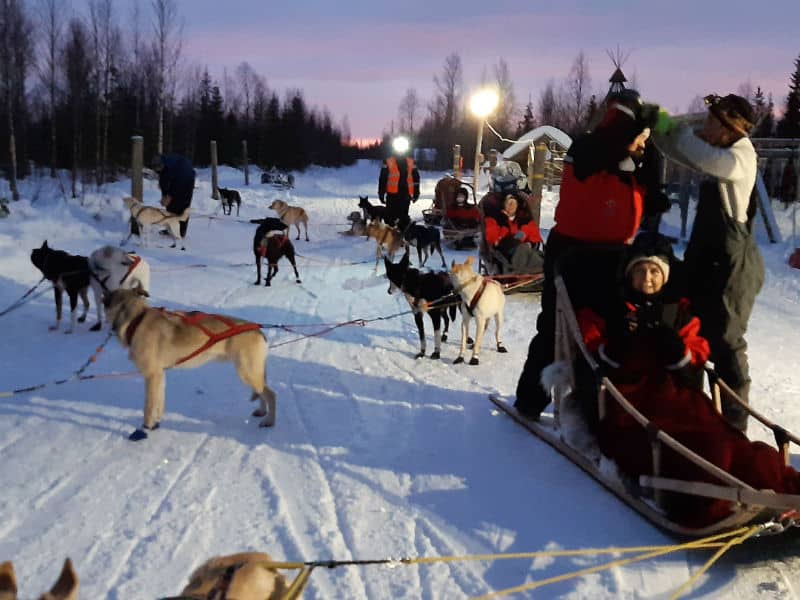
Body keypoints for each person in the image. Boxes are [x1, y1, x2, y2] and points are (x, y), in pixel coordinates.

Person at [574, 235, 800, 527]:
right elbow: (591, 355)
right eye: (640, 270)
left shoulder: (678, 312)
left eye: (655, 271)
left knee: (736, 446)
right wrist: (619, 343)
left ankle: (784, 489)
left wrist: (677, 351)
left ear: (665, 276)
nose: (647, 278)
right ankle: (722, 502)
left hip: (682, 399)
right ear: (629, 274)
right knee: (708, 450)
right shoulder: (608, 309)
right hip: (632, 406)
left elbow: (696, 358)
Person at [514, 89, 670, 420]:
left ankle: (602, 407)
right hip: (573, 253)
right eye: (637, 135)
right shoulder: (587, 148)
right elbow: (605, 144)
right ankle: (530, 401)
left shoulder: (631, 161)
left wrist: (651, 159)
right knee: (556, 328)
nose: (641, 144)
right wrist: (633, 121)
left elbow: (650, 188)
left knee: (611, 331)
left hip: (616, 255)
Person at [653, 94, 762, 432]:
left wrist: (678, 129)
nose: (706, 126)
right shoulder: (719, 152)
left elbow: (707, 159)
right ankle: (689, 412)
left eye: (713, 121)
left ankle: (734, 426)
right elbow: (683, 153)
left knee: (727, 345)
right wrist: (657, 130)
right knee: (687, 330)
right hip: (706, 260)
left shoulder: (741, 155)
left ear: (731, 127)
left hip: (733, 268)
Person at [484, 193, 543, 274]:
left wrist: (528, 241)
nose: (511, 205)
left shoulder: (524, 220)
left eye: (514, 203)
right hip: (503, 254)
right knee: (522, 249)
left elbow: (535, 237)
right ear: (503, 204)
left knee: (529, 251)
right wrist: (504, 224)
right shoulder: (494, 219)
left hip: (525, 251)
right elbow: (492, 239)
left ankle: (540, 269)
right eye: (509, 203)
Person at [153, 153, 196, 239]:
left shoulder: (178, 166)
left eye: (159, 169)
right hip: (175, 181)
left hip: (187, 181)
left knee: (182, 207)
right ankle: (171, 228)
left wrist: (170, 196)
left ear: (162, 164)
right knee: (170, 206)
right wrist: (164, 196)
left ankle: (181, 232)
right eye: (157, 170)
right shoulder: (163, 168)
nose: (158, 171)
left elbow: (179, 184)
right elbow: (163, 182)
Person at [378, 146, 420, 227]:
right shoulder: (388, 162)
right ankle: (389, 236)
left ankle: (402, 236)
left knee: (403, 219)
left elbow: (416, 178)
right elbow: (383, 178)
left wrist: (416, 192)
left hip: (405, 195)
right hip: (392, 195)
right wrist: (381, 193)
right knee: (389, 218)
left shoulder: (411, 162)